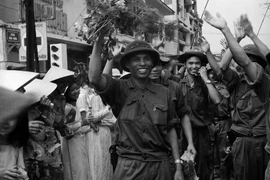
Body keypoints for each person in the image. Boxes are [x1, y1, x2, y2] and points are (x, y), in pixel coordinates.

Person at [88, 32, 184, 179]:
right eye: (136, 59)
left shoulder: (165, 92)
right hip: (129, 166)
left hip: (160, 165)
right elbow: (94, 78)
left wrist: (178, 165)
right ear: (127, 64)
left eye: (147, 59)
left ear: (152, 63)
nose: (142, 63)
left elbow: (171, 129)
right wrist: (99, 41)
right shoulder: (119, 88)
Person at [204, 10, 270, 180]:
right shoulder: (236, 82)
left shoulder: (265, 84)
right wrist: (233, 36)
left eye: (253, 62)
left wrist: (252, 35)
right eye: (244, 62)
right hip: (241, 140)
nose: (247, 66)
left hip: (263, 141)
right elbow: (220, 70)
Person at [177, 47, 222, 180]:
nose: (194, 66)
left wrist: (205, 78)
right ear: (185, 65)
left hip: (202, 133)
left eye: (197, 63)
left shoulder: (205, 83)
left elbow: (217, 99)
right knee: (185, 167)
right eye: (190, 63)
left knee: (203, 168)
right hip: (182, 134)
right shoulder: (178, 84)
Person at [0, 87, 33, 180]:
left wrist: (22, 173)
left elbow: (20, 166)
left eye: (11, 117)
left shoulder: (16, 144)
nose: (5, 121)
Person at [61, 81, 92, 180]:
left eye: (77, 88)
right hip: (72, 143)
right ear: (67, 92)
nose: (76, 91)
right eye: (72, 89)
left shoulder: (74, 106)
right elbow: (66, 128)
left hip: (79, 141)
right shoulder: (68, 108)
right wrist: (82, 123)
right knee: (76, 168)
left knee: (82, 167)